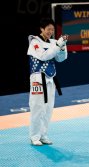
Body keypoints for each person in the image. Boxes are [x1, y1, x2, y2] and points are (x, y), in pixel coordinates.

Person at [27, 18, 68, 146]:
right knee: (38, 107)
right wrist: (57, 45)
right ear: (41, 29)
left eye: (52, 29)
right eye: (48, 29)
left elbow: (61, 58)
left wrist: (62, 46)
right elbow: (44, 56)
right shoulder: (35, 42)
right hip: (38, 79)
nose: (51, 31)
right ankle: (34, 136)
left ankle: (43, 135)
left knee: (48, 108)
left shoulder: (53, 42)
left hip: (51, 78)